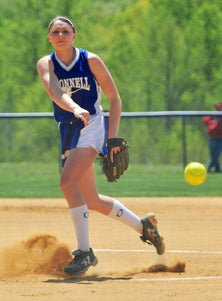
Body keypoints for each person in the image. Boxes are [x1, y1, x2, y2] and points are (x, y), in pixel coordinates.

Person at [37, 16, 165, 275]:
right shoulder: (46, 63)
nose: (60, 35)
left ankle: (85, 252)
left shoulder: (90, 60)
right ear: (49, 38)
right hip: (69, 128)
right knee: (91, 200)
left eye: (65, 31)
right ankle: (144, 227)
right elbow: (55, 92)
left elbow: (114, 99)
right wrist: (75, 108)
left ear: (75, 35)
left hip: (92, 126)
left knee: (67, 183)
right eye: (55, 32)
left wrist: (112, 140)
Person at [203, 102, 222, 172]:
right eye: (217, 108)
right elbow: (205, 121)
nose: (218, 110)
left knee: (215, 155)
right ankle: (218, 169)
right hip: (212, 138)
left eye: (219, 108)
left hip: (220, 139)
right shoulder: (212, 115)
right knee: (213, 155)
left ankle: (207, 168)